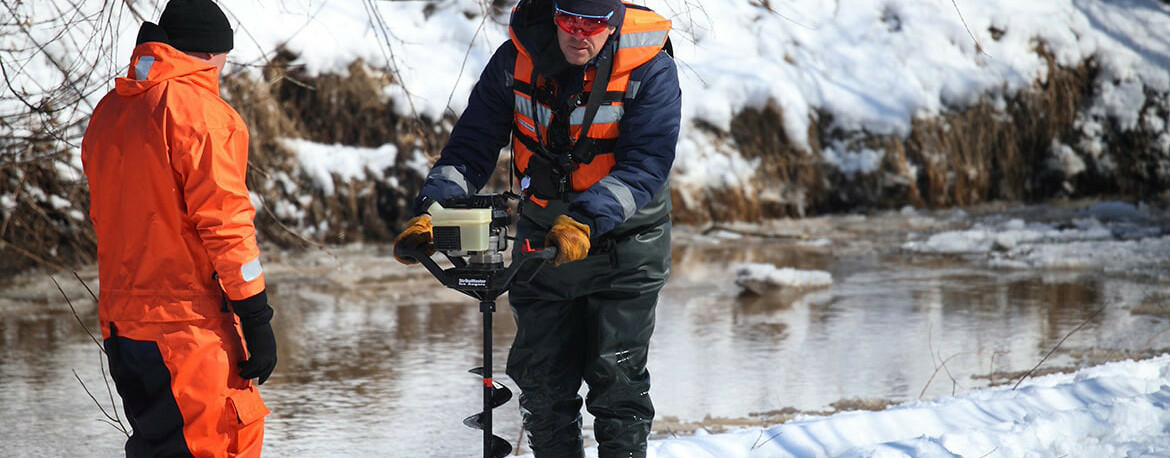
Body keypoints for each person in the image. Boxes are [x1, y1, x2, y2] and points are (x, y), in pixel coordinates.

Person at [394, 0, 680, 456]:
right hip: (541, 245)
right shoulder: (514, 61)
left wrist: (587, 219)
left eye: (592, 24)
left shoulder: (651, 69)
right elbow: (472, 145)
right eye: (568, 20)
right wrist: (434, 210)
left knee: (616, 382)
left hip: (625, 245)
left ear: (614, 22)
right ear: (553, 16)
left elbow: (647, 163)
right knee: (542, 383)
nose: (577, 33)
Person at [81, 1, 277, 456]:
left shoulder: (109, 112)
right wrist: (257, 317)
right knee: (224, 443)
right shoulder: (201, 113)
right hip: (188, 332)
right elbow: (226, 225)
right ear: (211, 52)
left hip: (124, 327)